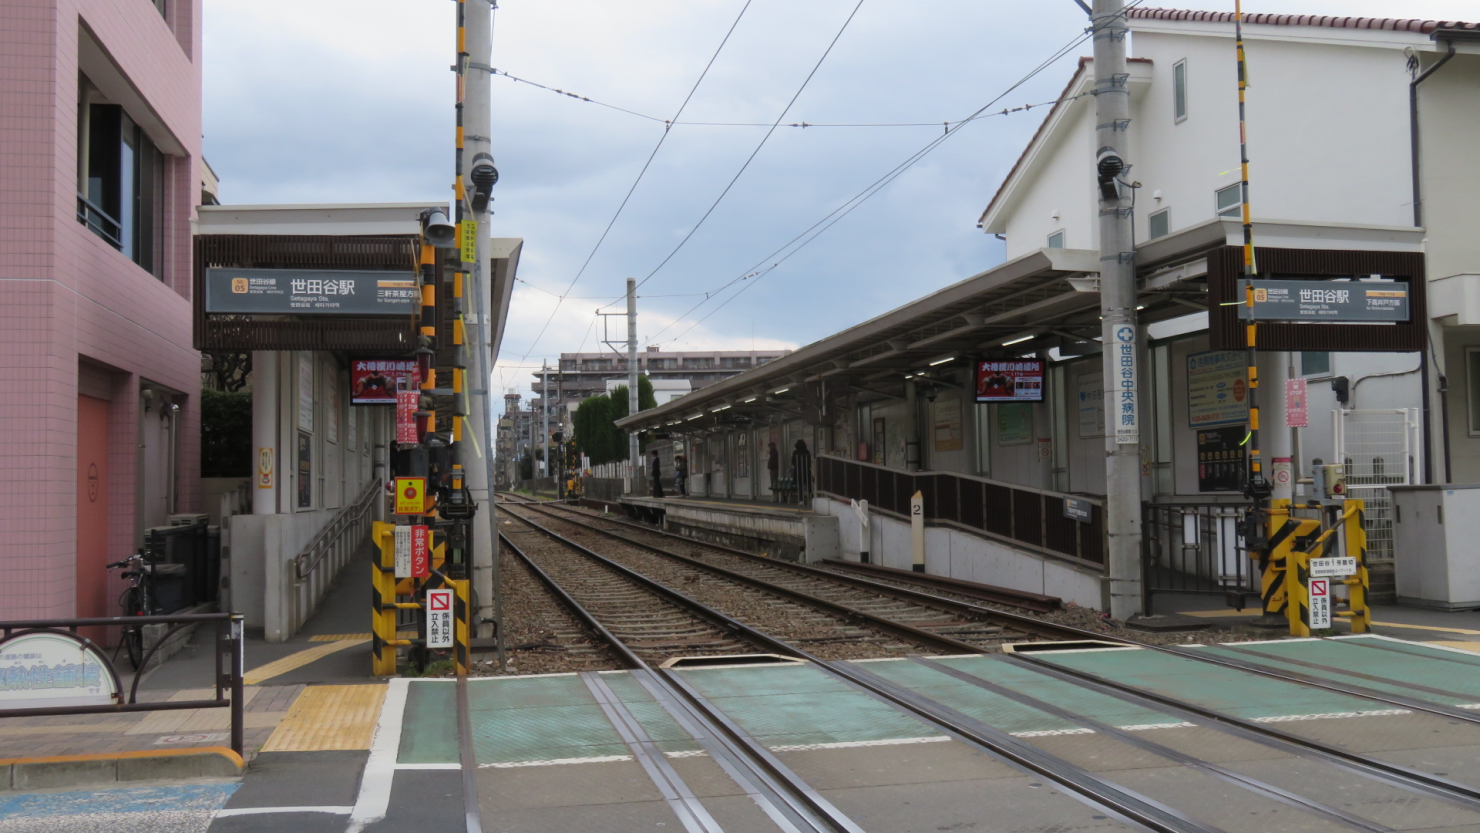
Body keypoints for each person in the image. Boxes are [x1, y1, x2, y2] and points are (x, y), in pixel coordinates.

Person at [790, 440, 813, 505]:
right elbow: (809, 463)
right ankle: (811, 499)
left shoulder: (795, 452)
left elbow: (793, 462)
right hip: (806, 471)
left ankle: (801, 500)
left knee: (800, 486)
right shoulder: (807, 452)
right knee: (809, 485)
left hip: (798, 471)